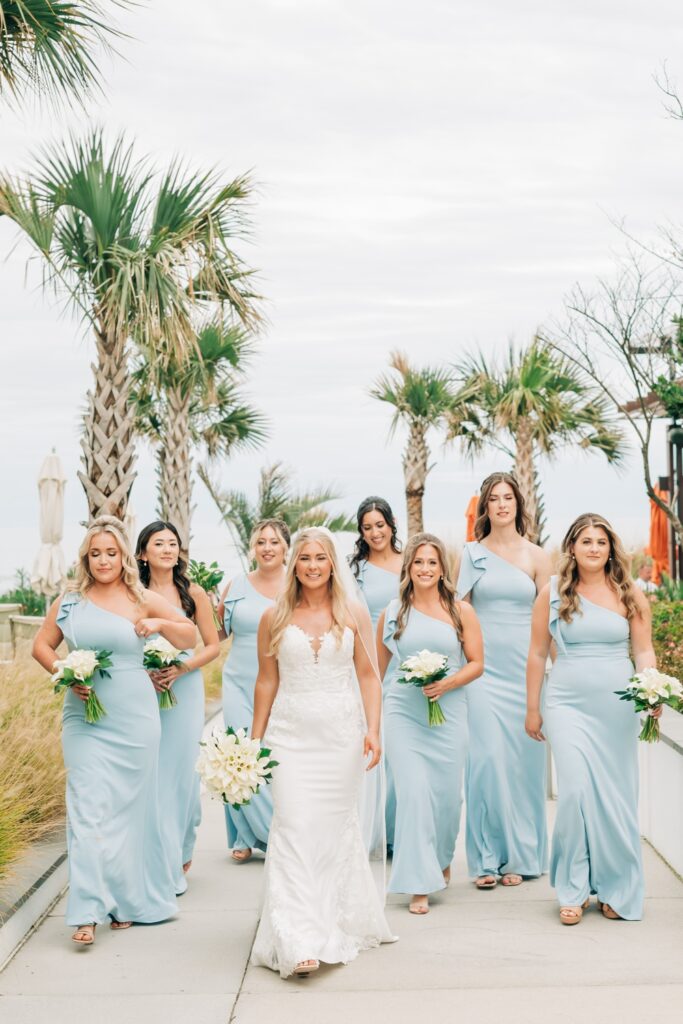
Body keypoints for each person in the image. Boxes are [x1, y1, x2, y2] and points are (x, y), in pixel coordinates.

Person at [32, 516, 196, 946]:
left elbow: (191, 632)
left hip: (136, 719)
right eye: (95, 553)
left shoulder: (140, 597)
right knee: (87, 807)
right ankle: (86, 910)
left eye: (110, 552)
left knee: (129, 811)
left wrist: (159, 625)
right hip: (83, 718)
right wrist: (64, 672)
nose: (103, 560)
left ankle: (125, 900)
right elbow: (41, 646)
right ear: (85, 557)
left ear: (123, 555)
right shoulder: (68, 601)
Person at [250, 528, 394, 978]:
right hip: (289, 739)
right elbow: (266, 681)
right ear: (295, 565)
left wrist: (373, 730)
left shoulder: (352, 612)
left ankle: (329, 919)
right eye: (305, 558)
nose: (313, 565)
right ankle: (297, 936)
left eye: (321, 558)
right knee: (293, 825)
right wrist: (254, 742)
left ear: (333, 563)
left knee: (331, 832)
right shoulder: (274, 616)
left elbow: (369, 677)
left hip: (340, 739)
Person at [526, 513, 658, 924]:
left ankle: (616, 886)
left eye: (601, 541)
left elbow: (643, 651)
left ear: (610, 548)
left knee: (614, 799)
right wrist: (533, 708)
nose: (594, 548)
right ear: (572, 548)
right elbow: (535, 653)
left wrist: (650, 690)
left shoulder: (629, 592)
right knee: (575, 795)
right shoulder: (551, 593)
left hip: (616, 707)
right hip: (566, 703)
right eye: (586, 541)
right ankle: (573, 887)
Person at [378, 533, 483, 915]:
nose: (425, 569)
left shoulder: (460, 611)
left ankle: (439, 856)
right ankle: (417, 884)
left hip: (449, 713)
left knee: (445, 797)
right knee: (413, 792)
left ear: (442, 569)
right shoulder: (393, 612)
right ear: (408, 567)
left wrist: (447, 683)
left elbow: (477, 663)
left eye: (432, 563)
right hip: (403, 712)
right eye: (418, 562)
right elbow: (377, 670)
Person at [457, 472, 552, 889]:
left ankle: (522, 856)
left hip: (526, 672)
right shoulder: (470, 554)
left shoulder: (538, 556)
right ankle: (486, 859)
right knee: (486, 763)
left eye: (507, 497)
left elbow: (551, 617)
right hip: (482, 671)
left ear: (518, 504)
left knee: (523, 766)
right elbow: (458, 612)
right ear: (485, 508)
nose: (500, 505)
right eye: (493, 499)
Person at [136, 520, 220, 892]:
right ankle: (157, 859)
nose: (168, 549)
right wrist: (148, 671)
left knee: (180, 774)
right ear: (142, 553)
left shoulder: (194, 593)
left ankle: (180, 847)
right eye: (159, 543)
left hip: (184, 690)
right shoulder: (132, 594)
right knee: (152, 775)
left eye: (173, 543)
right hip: (143, 690)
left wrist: (180, 667)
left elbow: (212, 646)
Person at [218, 520, 290, 862]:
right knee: (238, 753)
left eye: (274, 542)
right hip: (238, 682)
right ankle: (244, 835)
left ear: (286, 547)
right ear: (253, 548)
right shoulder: (235, 585)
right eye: (260, 542)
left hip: (284, 681)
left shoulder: (297, 584)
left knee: (274, 755)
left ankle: (279, 828)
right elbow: (218, 634)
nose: (267, 547)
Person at [349, 496, 402, 847]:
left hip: (406, 656)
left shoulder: (410, 561)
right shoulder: (355, 571)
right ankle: (371, 831)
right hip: (368, 659)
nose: (374, 533)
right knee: (372, 740)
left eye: (379, 525)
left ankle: (399, 830)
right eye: (367, 528)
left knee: (400, 749)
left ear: (391, 524)